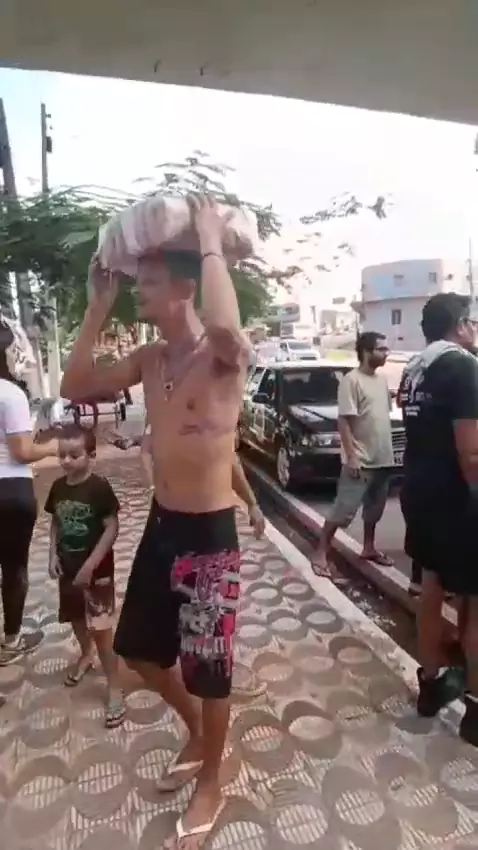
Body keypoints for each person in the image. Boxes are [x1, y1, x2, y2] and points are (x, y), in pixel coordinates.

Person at [61, 195, 252, 847]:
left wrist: (208, 240)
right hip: (163, 526)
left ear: (184, 288)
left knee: (209, 669)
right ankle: (198, 731)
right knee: (140, 651)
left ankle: (213, 779)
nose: (137, 291)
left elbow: (225, 329)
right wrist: (97, 308)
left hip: (210, 539)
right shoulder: (149, 360)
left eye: (147, 281)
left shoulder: (223, 358)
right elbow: (74, 386)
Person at [398, 292, 478, 745]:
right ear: (459, 325)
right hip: (459, 501)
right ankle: (476, 713)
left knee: (431, 588)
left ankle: (429, 687)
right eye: (472, 321)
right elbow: (471, 453)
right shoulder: (463, 367)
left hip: (419, 494)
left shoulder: (414, 369)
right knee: (473, 603)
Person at [44, 423, 126, 728]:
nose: (66, 461)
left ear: (91, 455)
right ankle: (85, 654)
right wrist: (52, 555)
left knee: (101, 629)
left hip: (97, 574)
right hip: (67, 569)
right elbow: (55, 522)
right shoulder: (58, 487)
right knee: (77, 619)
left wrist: (91, 564)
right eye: (62, 455)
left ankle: (114, 686)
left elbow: (111, 527)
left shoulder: (99, 488)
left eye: (74, 455)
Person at [0, 321, 59, 669]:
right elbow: (22, 451)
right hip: (10, 492)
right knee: (13, 568)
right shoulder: (10, 394)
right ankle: (11, 641)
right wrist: (52, 447)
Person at [311, 331, 394, 575]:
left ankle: (369, 548)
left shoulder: (381, 381)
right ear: (366, 352)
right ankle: (320, 552)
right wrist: (352, 456)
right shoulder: (351, 380)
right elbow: (344, 421)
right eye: (381, 349)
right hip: (360, 460)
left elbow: (380, 417)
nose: (386, 353)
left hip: (383, 459)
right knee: (342, 511)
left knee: (374, 510)